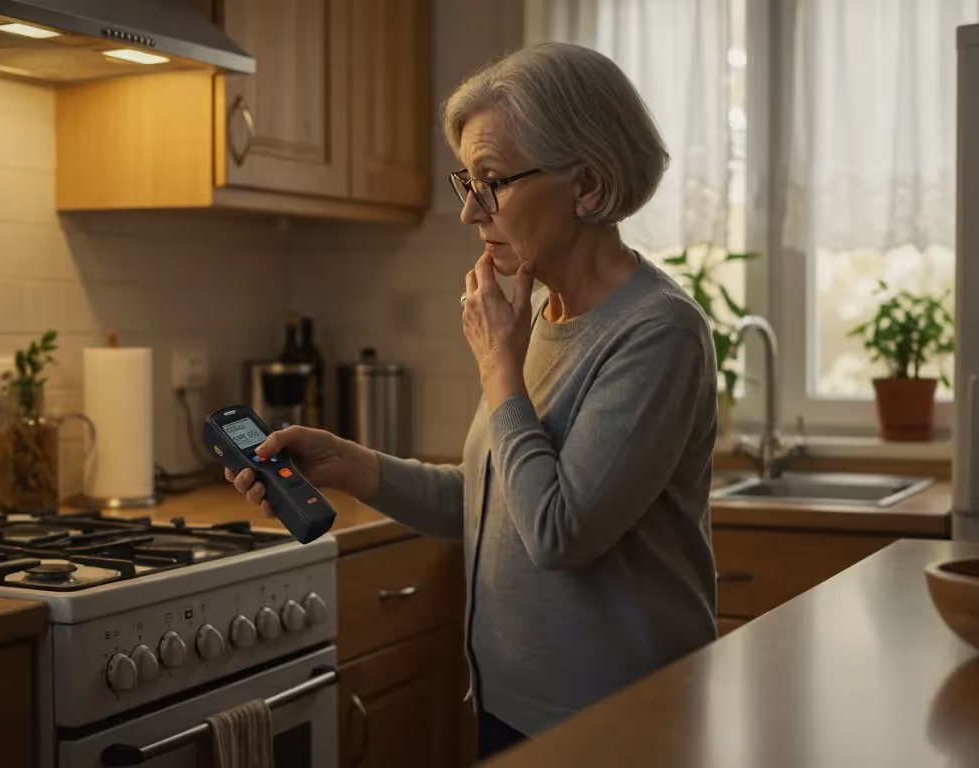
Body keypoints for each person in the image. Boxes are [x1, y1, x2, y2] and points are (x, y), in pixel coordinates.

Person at [228, 42, 718, 762]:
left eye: (491, 181)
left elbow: (557, 533)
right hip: (512, 704)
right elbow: (497, 501)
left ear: (587, 184)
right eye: (468, 180)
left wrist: (498, 365)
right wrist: (351, 464)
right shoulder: (537, 317)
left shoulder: (658, 334)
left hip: (617, 721)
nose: (468, 211)